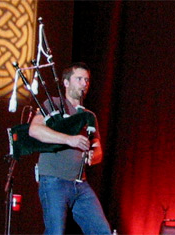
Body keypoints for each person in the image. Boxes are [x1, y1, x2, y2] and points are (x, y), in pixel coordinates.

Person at [29, 62, 111, 234]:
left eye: (87, 80)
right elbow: (34, 130)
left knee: (102, 231)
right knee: (55, 232)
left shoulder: (89, 116)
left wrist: (92, 156)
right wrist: (69, 140)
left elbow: (98, 150)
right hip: (53, 180)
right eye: (79, 79)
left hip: (80, 183)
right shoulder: (54, 104)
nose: (84, 83)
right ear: (66, 83)